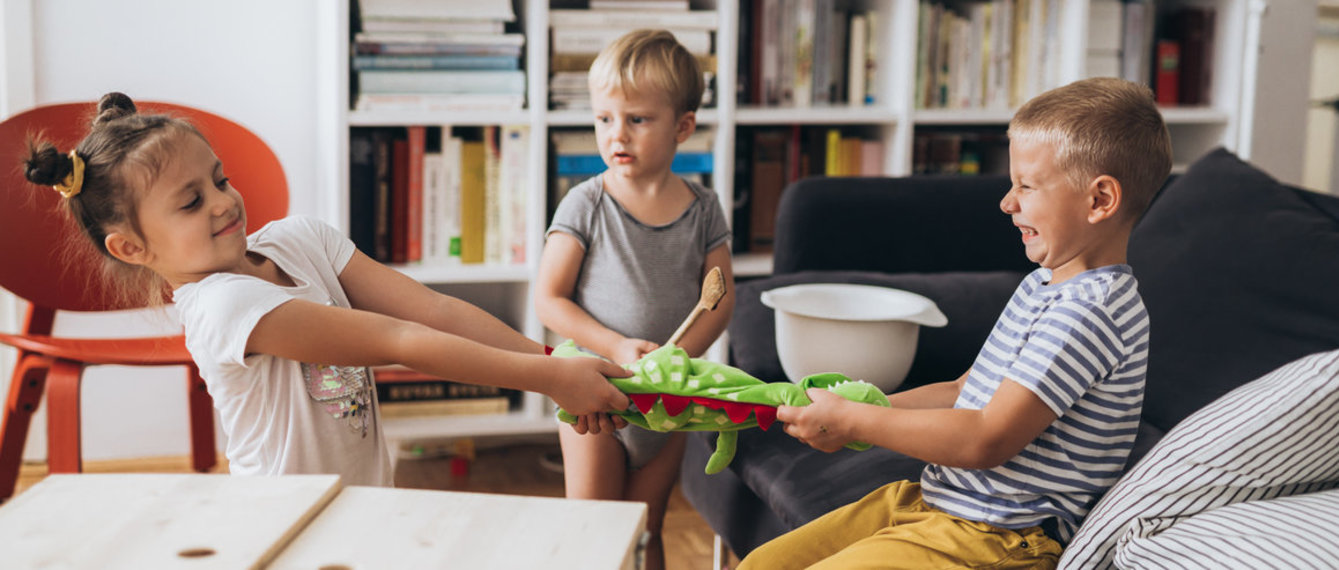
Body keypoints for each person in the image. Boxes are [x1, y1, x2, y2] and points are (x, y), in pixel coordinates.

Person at [21, 92, 631, 488]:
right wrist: (551, 381)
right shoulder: (223, 306)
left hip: (365, 501)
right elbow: (403, 338)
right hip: (283, 529)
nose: (223, 201)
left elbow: (433, 309)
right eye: (190, 202)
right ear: (133, 249)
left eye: (219, 178)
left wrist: (556, 361)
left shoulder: (300, 239)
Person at [740, 77, 1173, 569]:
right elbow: (964, 390)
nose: (1007, 203)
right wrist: (852, 410)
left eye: (1026, 187)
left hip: (999, 537)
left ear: (1100, 201)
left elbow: (985, 436)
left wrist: (857, 421)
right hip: (936, 505)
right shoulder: (1043, 286)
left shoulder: (1093, 311)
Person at [534, 29, 735, 570]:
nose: (616, 134)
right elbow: (550, 300)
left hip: (666, 397)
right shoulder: (584, 204)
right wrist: (617, 346)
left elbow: (719, 299)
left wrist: (676, 362)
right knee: (597, 529)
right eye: (604, 119)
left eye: (637, 119)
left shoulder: (705, 209)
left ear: (683, 127)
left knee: (648, 526)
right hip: (594, 385)